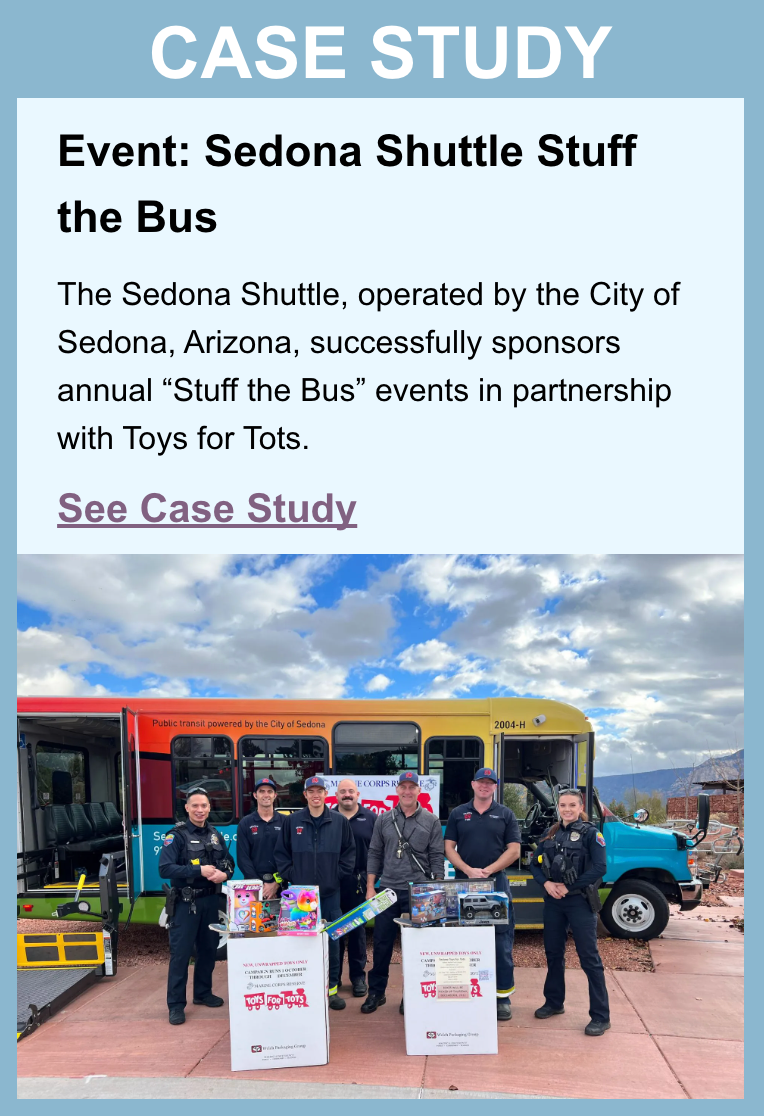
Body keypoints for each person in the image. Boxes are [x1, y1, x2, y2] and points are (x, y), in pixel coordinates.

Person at [529, 787, 611, 1036]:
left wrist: (569, 886)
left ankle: (600, 1016)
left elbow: (600, 868)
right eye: (563, 805)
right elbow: (534, 864)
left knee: (589, 959)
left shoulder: (591, 834)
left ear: (580, 807)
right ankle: (554, 1002)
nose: (567, 809)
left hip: (579, 902)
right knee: (553, 954)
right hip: (554, 901)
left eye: (572, 805)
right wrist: (546, 883)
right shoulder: (550, 833)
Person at [362, 771, 445, 1015]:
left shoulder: (431, 820)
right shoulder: (384, 819)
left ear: (419, 791)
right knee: (381, 944)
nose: (407, 791)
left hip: (420, 891)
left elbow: (437, 857)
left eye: (412, 787)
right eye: (403, 787)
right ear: (397, 790)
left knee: (418, 947)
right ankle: (377, 993)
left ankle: (412, 995)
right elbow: (374, 853)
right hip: (388, 889)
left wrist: (436, 889)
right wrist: (370, 887)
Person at [444, 767, 521, 1021]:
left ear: (495, 787)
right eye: (481, 782)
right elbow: (449, 848)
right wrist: (466, 869)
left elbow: (514, 850)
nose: (485, 786)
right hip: (464, 885)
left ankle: (502, 997)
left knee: (500, 943)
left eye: (490, 783)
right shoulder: (458, 813)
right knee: (464, 943)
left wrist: (488, 870)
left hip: (495, 885)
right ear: (473, 784)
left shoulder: (506, 814)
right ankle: (467, 992)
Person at [274, 775, 355, 1010]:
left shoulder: (340, 822)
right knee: (299, 943)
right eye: (312, 791)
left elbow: (349, 855)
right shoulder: (292, 822)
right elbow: (281, 854)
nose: (316, 795)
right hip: (299, 895)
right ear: (306, 795)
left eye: (320, 791)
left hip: (330, 894)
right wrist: (293, 875)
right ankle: (304, 988)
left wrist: (335, 876)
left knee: (332, 941)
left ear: (325, 794)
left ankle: (331, 991)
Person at [158, 787, 235, 1026]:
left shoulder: (215, 834)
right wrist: (198, 870)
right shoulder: (176, 836)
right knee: (181, 954)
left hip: (211, 900)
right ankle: (176, 1005)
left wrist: (225, 875)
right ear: (187, 808)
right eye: (195, 806)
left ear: (209, 808)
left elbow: (229, 863)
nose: (200, 810)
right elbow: (165, 868)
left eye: (204, 806)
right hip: (186, 903)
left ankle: (202, 993)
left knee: (208, 950)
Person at [332, 778, 376, 997]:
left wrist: (372, 883)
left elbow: (379, 852)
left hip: (360, 882)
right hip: (333, 883)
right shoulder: (328, 817)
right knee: (334, 931)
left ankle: (358, 978)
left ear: (358, 794)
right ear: (336, 795)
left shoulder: (371, 819)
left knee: (358, 931)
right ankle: (334, 977)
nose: (347, 794)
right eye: (342, 791)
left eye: (351, 791)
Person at [236, 776, 283, 898]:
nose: (266, 795)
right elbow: (243, 858)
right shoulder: (245, 823)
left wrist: (276, 883)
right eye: (261, 791)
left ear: (275, 795)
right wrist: (259, 885)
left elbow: (290, 856)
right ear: (255, 795)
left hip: (282, 887)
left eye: (269, 791)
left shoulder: (286, 822)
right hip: (253, 889)